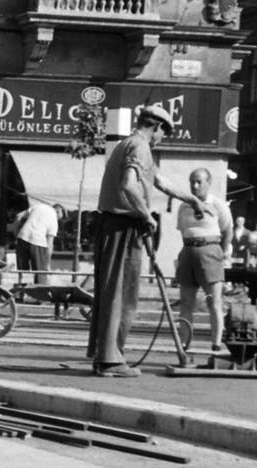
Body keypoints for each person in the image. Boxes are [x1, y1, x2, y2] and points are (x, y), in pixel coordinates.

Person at [87, 104, 205, 378]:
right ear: (157, 127)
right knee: (122, 294)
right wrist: (145, 214)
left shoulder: (129, 144)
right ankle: (111, 361)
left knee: (112, 293)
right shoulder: (140, 146)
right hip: (123, 226)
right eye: (164, 132)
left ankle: (105, 357)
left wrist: (191, 199)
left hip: (113, 225)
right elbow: (129, 184)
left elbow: (160, 181)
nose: (163, 138)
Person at [175, 167, 235, 355]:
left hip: (210, 254)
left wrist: (221, 253)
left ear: (208, 183)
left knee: (213, 301)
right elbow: (183, 230)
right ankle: (184, 344)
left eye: (199, 181)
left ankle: (216, 345)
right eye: (192, 181)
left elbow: (227, 230)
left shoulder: (217, 204)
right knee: (186, 303)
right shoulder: (184, 205)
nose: (195, 185)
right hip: (188, 253)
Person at [10, 199, 61, 285]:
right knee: (40, 273)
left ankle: (21, 295)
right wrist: (47, 263)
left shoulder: (38, 206)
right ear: (58, 211)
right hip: (38, 242)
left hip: (22, 237)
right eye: (60, 217)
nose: (59, 219)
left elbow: (18, 216)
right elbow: (50, 245)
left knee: (23, 272)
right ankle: (40, 296)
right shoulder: (54, 219)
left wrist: (15, 231)